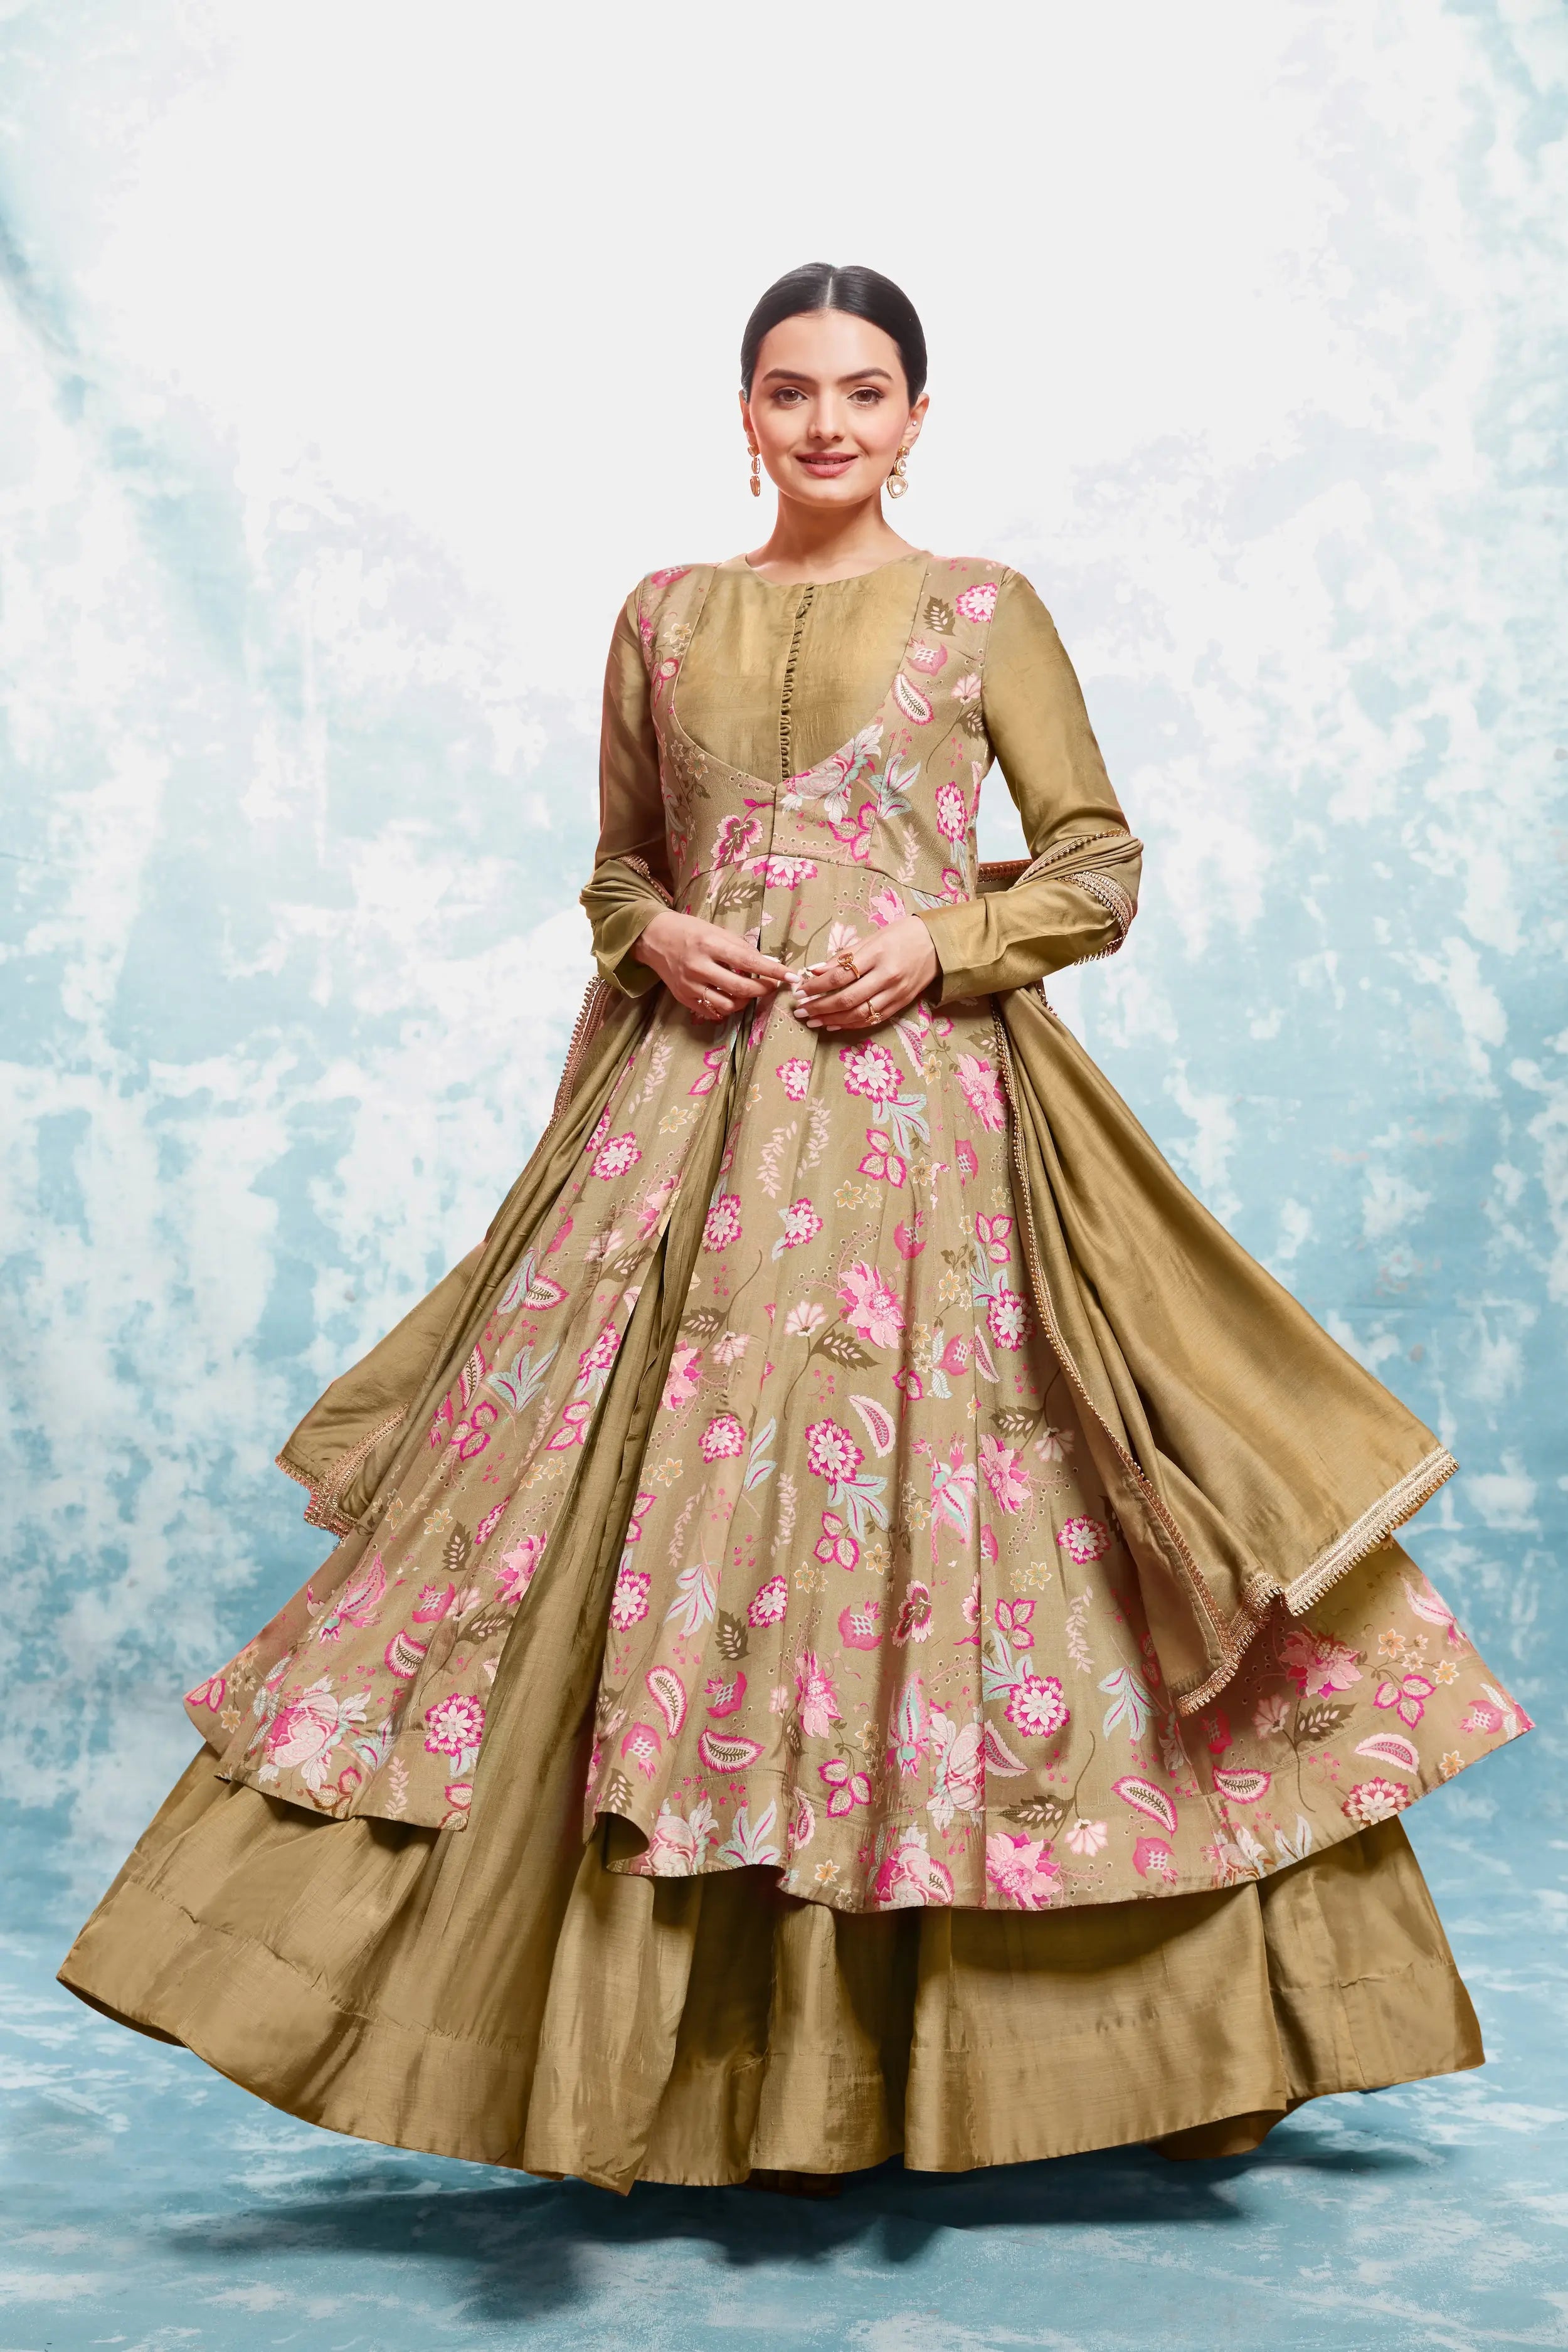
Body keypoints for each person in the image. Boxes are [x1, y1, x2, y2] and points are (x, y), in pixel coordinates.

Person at [60, 263, 1528, 2195]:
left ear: (918, 417)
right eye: (788, 390)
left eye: (861, 391)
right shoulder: (660, 615)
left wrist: (940, 942)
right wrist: (652, 936)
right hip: (683, 1148)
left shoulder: (983, 611)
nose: (825, 422)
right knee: (614, 1558)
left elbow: (1094, 863)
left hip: (925, 1154)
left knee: (961, 1559)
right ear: (741, 414)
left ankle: (1046, 2056)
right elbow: (617, 868)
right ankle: (648, 2074)